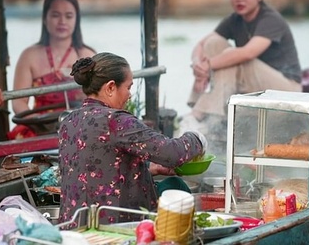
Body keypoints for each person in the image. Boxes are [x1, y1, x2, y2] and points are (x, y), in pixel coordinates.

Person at [58, 52, 207, 226]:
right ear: (111, 87)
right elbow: (172, 153)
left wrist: (150, 168)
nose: (130, 95)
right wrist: (197, 138)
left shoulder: (68, 122)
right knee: (175, 186)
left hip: (73, 227)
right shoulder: (116, 121)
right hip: (114, 228)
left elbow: (98, 168)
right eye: (128, 87)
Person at [180, 0, 302, 143]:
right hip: (255, 86)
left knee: (233, 56)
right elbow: (202, 44)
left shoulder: (270, 18)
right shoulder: (235, 20)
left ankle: (200, 115)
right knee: (213, 44)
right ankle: (207, 115)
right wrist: (198, 65)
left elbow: (248, 53)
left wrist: (209, 65)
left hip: (286, 88)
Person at [8, 0, 96, 139]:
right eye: (55, 15)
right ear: (44, 18)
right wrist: (40, 123)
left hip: (80, 125)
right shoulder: (29, 56)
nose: (62, 21)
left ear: (76, 20)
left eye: (68, 16)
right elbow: (18, 103)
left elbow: (97, 97)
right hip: (39, 127)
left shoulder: (88, 55)